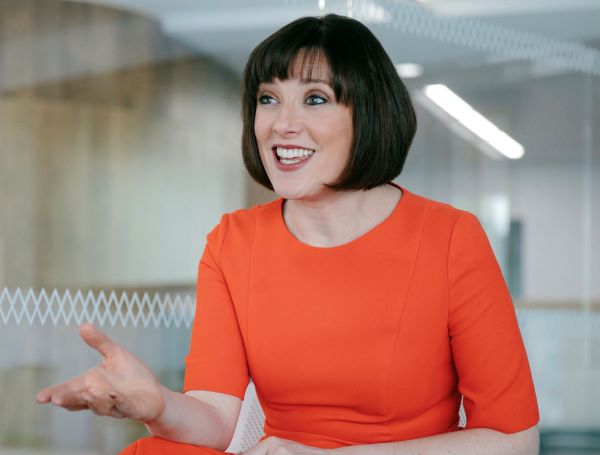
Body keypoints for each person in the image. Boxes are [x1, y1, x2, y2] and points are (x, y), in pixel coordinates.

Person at [36, 13, 540, 454]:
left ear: (368, 115)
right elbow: (216, 421)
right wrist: (157, 403)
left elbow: (512, 440)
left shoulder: (451, 237)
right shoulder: (233, 241)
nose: (282, 124)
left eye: (315, 99)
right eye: (269, 99)